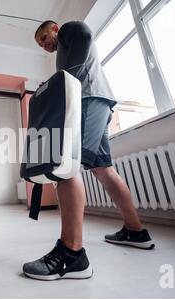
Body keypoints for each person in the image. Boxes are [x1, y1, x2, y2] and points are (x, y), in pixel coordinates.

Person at [22, 21, 154, 280]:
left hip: (88, 99)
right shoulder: (62, 53)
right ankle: (135, 231)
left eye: (45, 37)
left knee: (66, 164)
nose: (45, 44)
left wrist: (57, 84)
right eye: (40, 44)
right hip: (98, 102)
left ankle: (72, 254)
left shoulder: (69, 31)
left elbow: (85, 34)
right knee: (104, 170)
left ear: (55, 28)